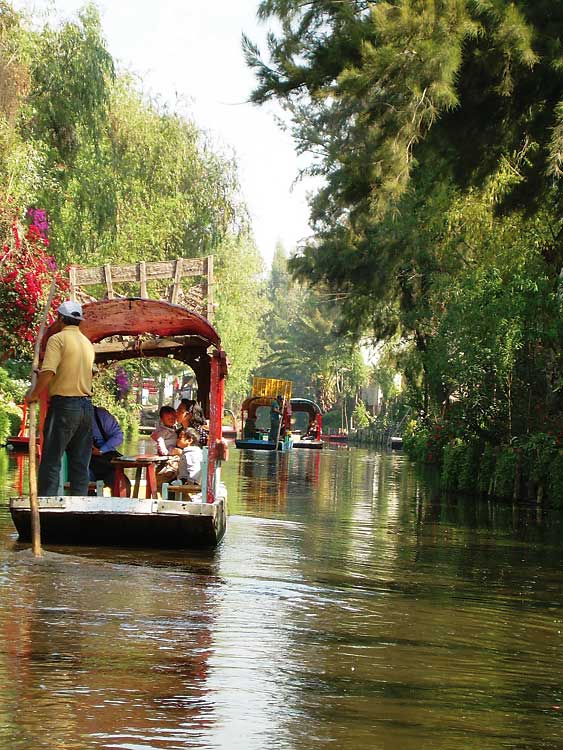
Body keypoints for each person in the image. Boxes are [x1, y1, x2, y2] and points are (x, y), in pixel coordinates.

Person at [25, 300, 95, 496]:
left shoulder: (57, 339)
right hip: (86, 408)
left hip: (65, 406)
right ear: (78, 321)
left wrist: (34, 395)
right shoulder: (87, 343)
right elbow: (89, 371)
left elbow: (48, 372)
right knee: (80, 463)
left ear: (60, 319)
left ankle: (46, 506)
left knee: (51, 460)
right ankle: (78, 508)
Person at [89, 405, 127, 490]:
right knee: (84, 480)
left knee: (123, 485)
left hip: (105, 460)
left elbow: (118, 436)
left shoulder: (100, 414)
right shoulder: (66, 416)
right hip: (83, 464)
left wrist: (101, 450)